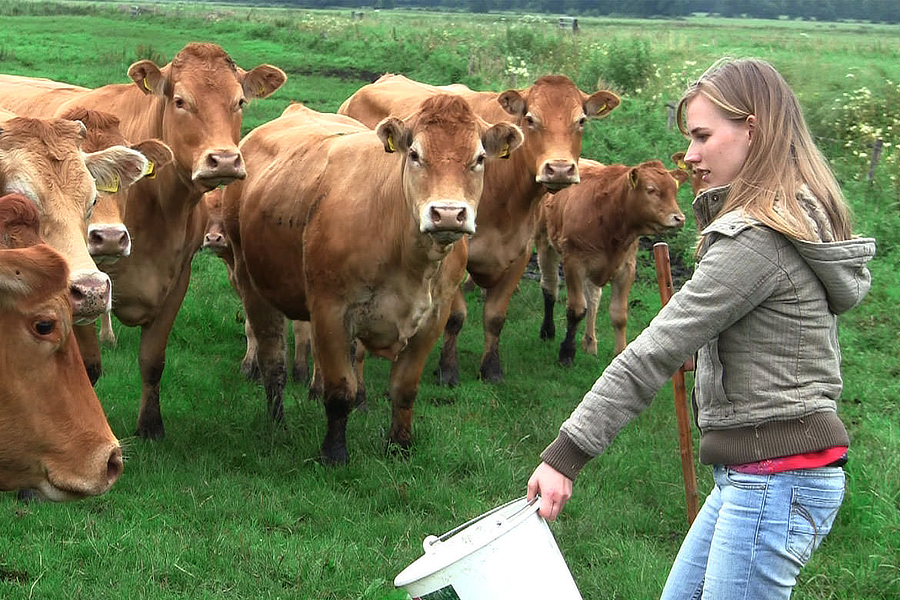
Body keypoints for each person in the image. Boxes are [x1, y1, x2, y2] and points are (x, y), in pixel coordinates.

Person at [526, 57, 877, 600]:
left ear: (752, 131)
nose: (688, 156)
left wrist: (564, 455)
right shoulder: (789, 218)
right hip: (759, 471)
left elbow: (652, 352)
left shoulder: (758, 239)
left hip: (774, 477)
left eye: (702, 136)